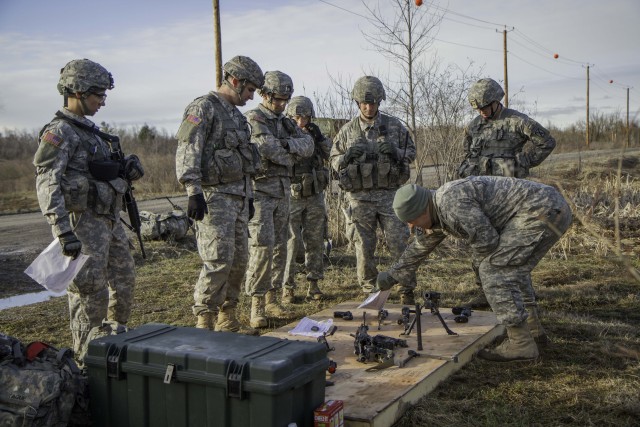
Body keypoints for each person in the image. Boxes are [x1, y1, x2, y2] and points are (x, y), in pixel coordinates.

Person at [375, 177, 572, 361]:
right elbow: (420, 247)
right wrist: (394, 275)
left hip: (540, 210)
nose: (410, 227)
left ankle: (521, 343)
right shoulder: (437, 209)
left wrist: (483, 276)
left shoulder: (450, 203)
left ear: (422, 211)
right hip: (549, 209)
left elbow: (487, 241)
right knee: (512, 268)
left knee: (494, 270)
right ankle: (534, 332)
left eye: (411, 221)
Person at [33, 59, 144, 360]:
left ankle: (114, 347)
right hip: (82, 224)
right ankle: (86, 361)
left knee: (125, 279)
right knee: (90, 294)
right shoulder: (60, 132)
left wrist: (127, 168)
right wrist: (63, 231)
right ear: (78, 91)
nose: (103, 101)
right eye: (98, 95)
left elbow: (100, 170)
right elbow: (47, 183)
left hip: (109, 221)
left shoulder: (93, 133)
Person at [175, 55, 264, 334]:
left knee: (239, 261)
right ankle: (205, 321)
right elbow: (189, 148)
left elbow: (245, 160)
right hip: (214, 198)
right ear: (235, 81)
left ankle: (228, 318)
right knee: (217, 261)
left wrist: (249, 196)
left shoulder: (237, 116)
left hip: (238, 198)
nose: (251, 97)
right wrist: (193, 190)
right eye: (249, 90)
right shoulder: (203, 108)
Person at [458, 78, 557, 310]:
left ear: (496, 102)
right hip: (482, 197)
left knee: (512, 248)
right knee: (479, 244)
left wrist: (523, 162)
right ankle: (485, 292)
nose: (481, 112)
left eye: (484, 106)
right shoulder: (473, 126)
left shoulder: (517, 121)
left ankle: (523, 295)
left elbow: (547, 142)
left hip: (511, 198)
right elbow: (467, 154)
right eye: (477, 108)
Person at [330, 76, 417, 304]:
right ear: (357, 103)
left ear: (380, 102)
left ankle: (406, 288)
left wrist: (396, 152)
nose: (369, 108)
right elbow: (333, 159)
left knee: (399, 242)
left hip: (390, 196)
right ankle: (370, 290)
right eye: (365, 103)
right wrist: (346, 157)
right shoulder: (347, 131)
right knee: (363, 246)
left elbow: (411, 153)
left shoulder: (395, 126)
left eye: (374, 103)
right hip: (359, 198)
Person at [244, 71, 314, 328]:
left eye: (286, 99)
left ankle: (273, 299)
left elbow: (308, 145)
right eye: (278, 99)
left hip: (283, 191)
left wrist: (286, 147)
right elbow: (266, 148)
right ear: (265, 95)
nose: (283, 105)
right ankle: (257, 305)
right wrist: (289, 149)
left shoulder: (284, 123)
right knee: (261, 249)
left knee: (280, 248)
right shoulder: (254, 118)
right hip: (260, 192)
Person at [282, 96, 332, 302]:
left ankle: (314, 284)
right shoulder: (283, 134)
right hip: (292, 195)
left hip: (314, 194)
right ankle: (287, 287)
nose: (301, 122)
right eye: (296, 118)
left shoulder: (314, 133)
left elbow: (332, 153)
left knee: (315, 239)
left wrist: (319, 138)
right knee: (291, 242)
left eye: (305, 118)